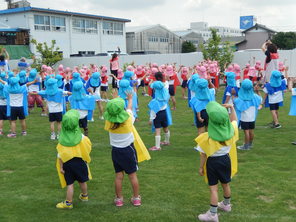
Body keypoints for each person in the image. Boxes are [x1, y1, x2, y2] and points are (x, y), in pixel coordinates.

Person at [104, 93, 150, 207]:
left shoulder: (109, 122)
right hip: (128, 150)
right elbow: (129, 108)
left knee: (119, 176)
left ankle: (119, 199)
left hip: (115, 151)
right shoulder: (128, 119)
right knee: (132, 175)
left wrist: (114, 100)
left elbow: (114, 111)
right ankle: (136, 198)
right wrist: (130, 99)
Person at [196, 101, 238, 222]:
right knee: (226, 184)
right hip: (226, 160)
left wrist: (200, 167)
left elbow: (203, 155)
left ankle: (212, 215)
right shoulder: (231, 131)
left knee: (213, 189)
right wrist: (231, 108)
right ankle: (226, 204)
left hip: (213, 163)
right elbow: (235, 121)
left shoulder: (206, 137)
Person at [55, 109, 92, 209]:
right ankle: (85, 196)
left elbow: (60, 155)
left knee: (70, 184)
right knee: (82, 181)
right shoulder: (82, 137)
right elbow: (88, 147)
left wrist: (61, 167)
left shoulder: (62, 140)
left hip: (68, 164)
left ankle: (68, 203)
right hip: (81, 162)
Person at [234, 79, 262, 150]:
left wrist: (233, 94)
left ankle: (246, 146)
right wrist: (257, 91)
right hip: (252, 118)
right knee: (251, 131)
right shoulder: (255, 97)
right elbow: (260, 100)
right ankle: (250, 144)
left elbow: (235, 103)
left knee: (246, 132)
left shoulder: (240, 98)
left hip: (244, 118)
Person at [148, 76, 172, 151]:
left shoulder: (155, 101)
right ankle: (167, 141)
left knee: (157, 130)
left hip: (157, 115)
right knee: (165, 127)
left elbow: (153, 111)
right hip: (164, 113)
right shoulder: (165, 96)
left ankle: (157, 146)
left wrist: (151, 119)